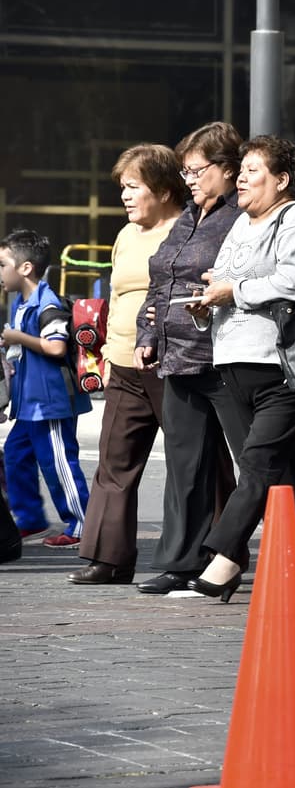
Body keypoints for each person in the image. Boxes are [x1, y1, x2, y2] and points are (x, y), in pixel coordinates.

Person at [185, 135, 295, 602]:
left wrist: (233, 291)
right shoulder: (241, 225)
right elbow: (227, 280)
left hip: (286, 367)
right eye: (242, 169)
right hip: (233, 362)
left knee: (256, 464)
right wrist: (208, 303)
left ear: (282, 180)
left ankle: (225, 558)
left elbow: (293, 282)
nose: (242, 178)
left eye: (253, 170)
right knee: (283, 467)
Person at [132, 122, 242, 595]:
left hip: (227, 356)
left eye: (198, 169)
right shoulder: (190, 215)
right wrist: (147, 331)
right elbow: (161, 279)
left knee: (261, 461)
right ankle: (182, 561)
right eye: (186, 170)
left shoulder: (241, 216)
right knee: (185, 464)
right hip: (179, 355)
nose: (190, 179)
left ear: (229, 169)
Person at [69, 145, 185, 584]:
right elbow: (119, 294)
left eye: (133, 186)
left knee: (191, 462)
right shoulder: (126, 235)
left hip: (169, 363)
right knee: (114, 461)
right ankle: (110, 557)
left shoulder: (185, 231)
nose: (125, 196)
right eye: (123, 187)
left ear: (162, 188)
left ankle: (207, 551)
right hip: (122, 363)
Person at [0, 229, 92, 548]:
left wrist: (17, 338)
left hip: (49, 402)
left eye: (2, 264)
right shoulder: (21, 303)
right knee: (14, 454)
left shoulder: (46, 302)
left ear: (25, 268)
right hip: (29, 404)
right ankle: (30, 520)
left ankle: (83, 524)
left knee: (59, 463)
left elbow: (55, 347)